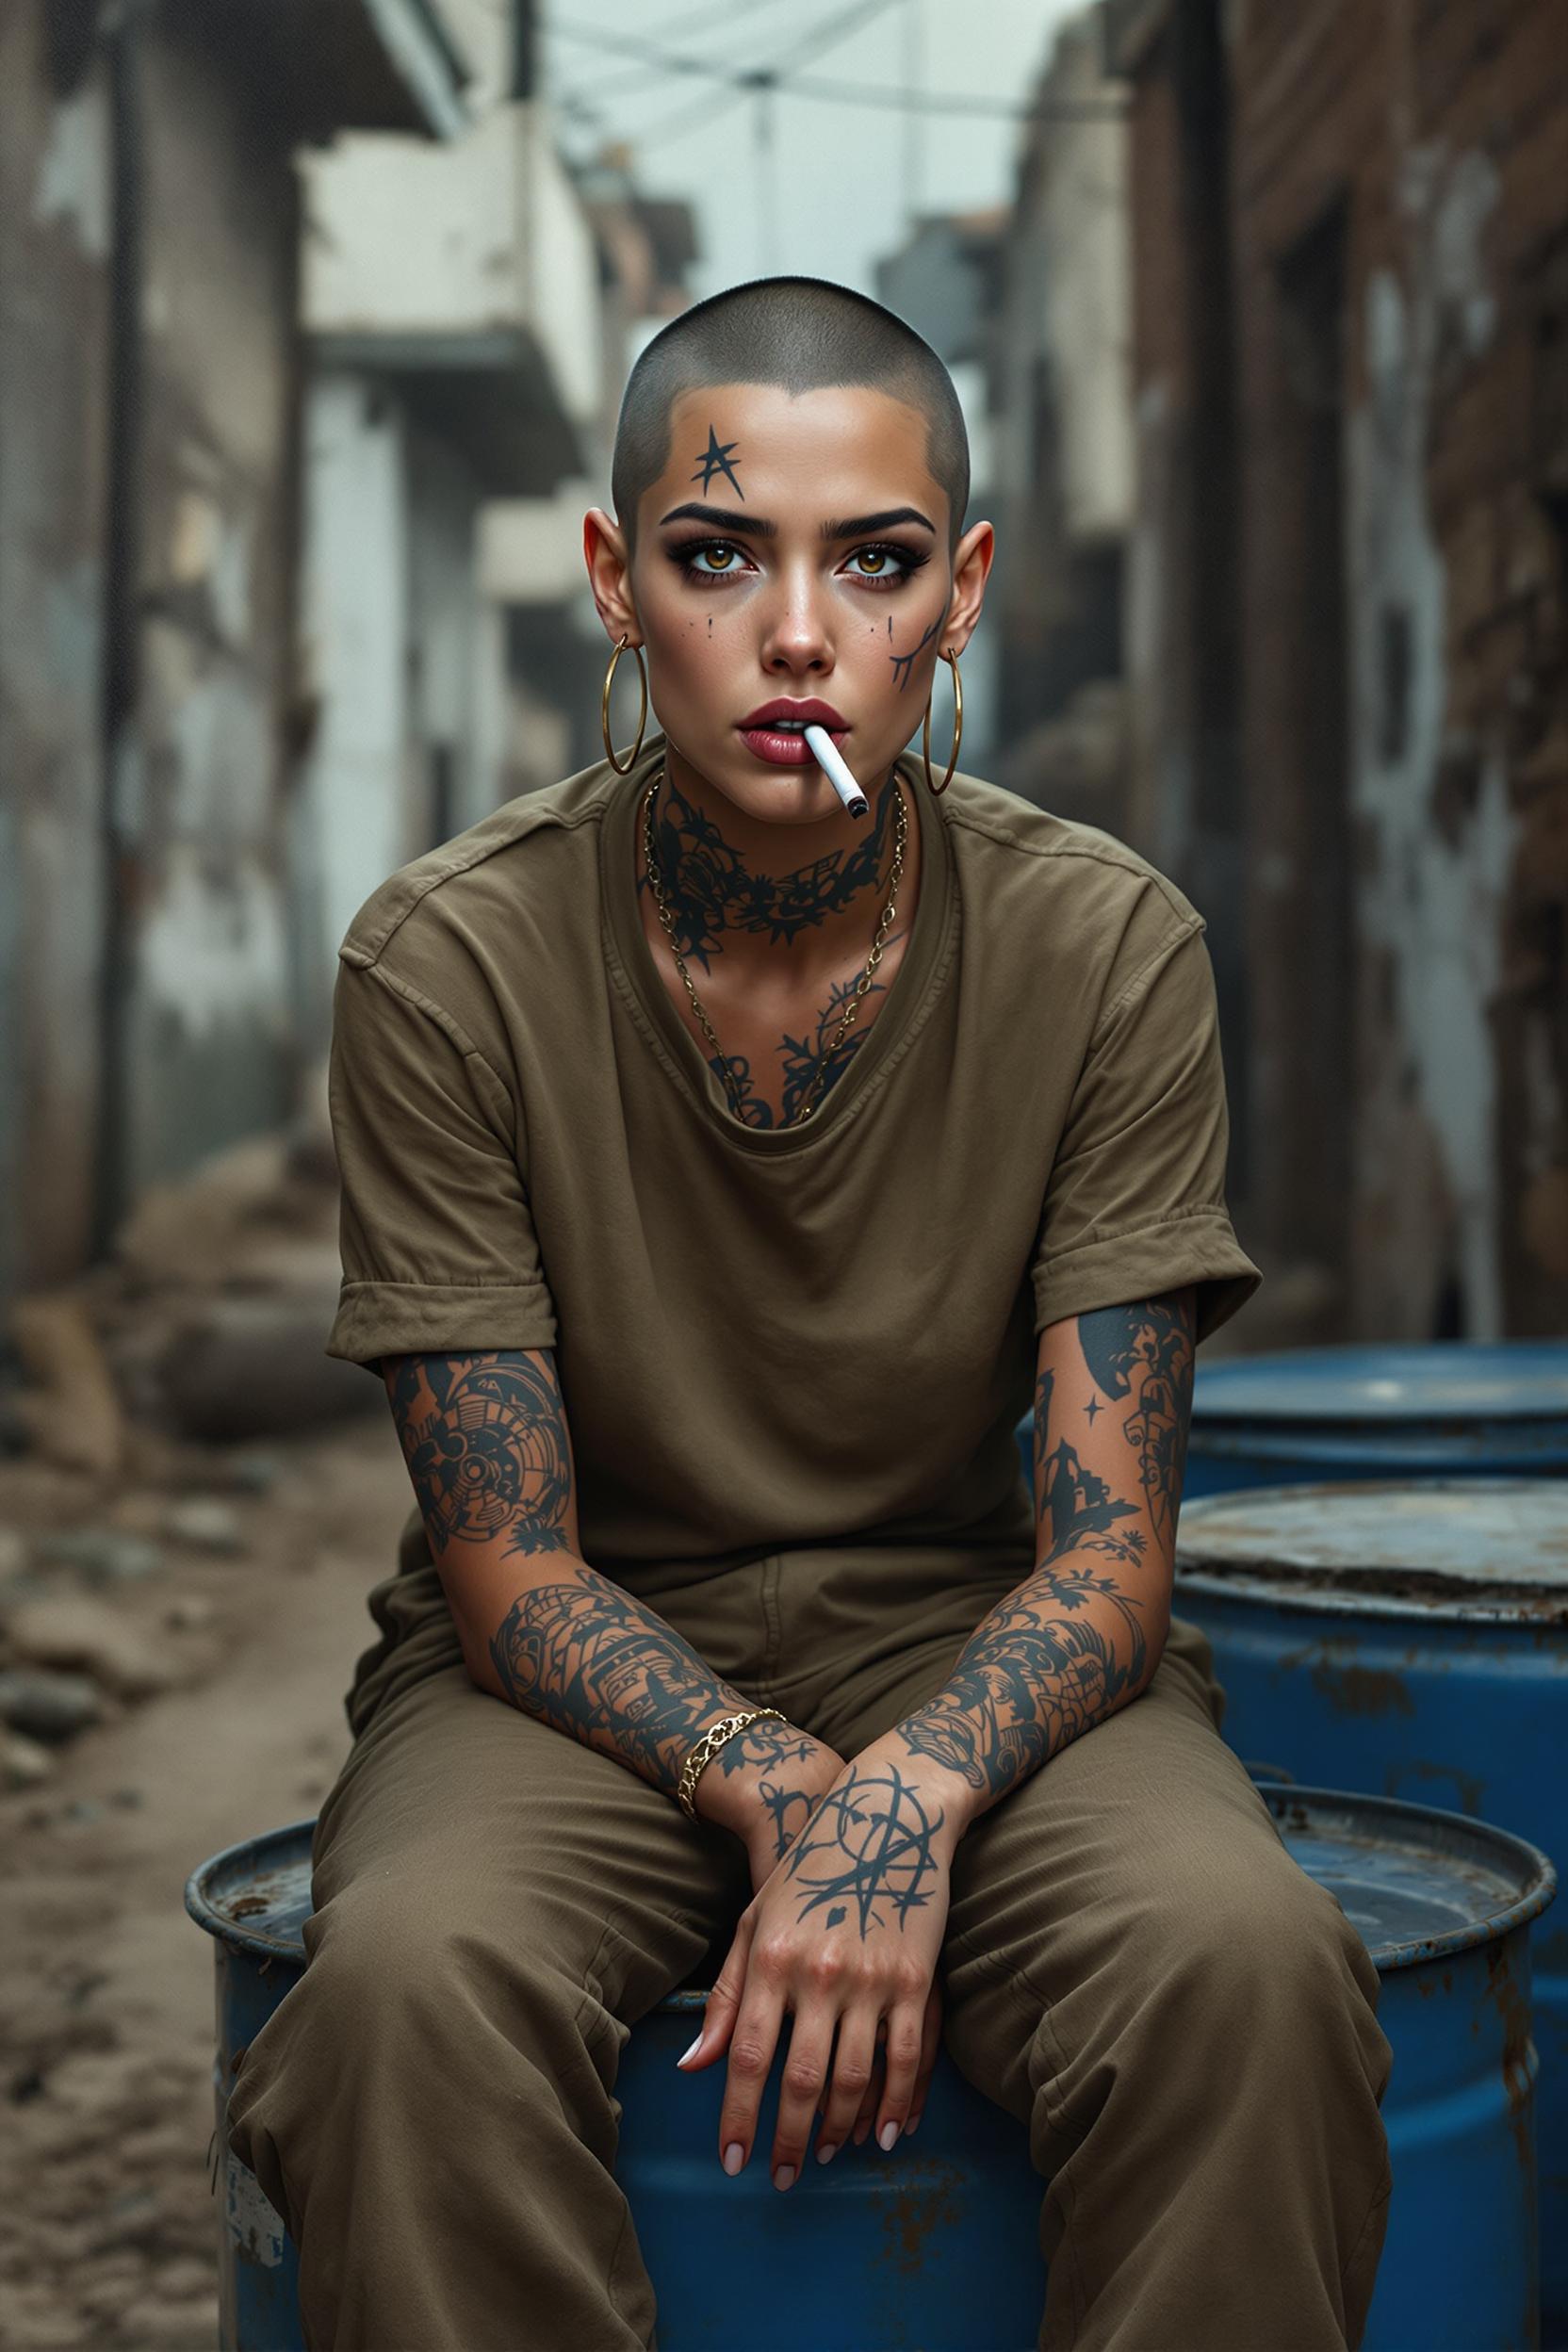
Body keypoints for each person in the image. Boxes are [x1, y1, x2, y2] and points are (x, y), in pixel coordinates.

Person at [227, 275, 1393, 2351]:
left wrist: (902, 1793)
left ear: (960, 591)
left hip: (985, 1649)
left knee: (1241, 1970)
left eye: (872, 563)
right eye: (713, 555)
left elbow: (1108, 1561)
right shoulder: (447, 962)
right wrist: (779, 1787)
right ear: (613, 581)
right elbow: (508, 1574)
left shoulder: (1105, 950)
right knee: (401, 1998)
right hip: (570, 1678)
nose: (795, 637)